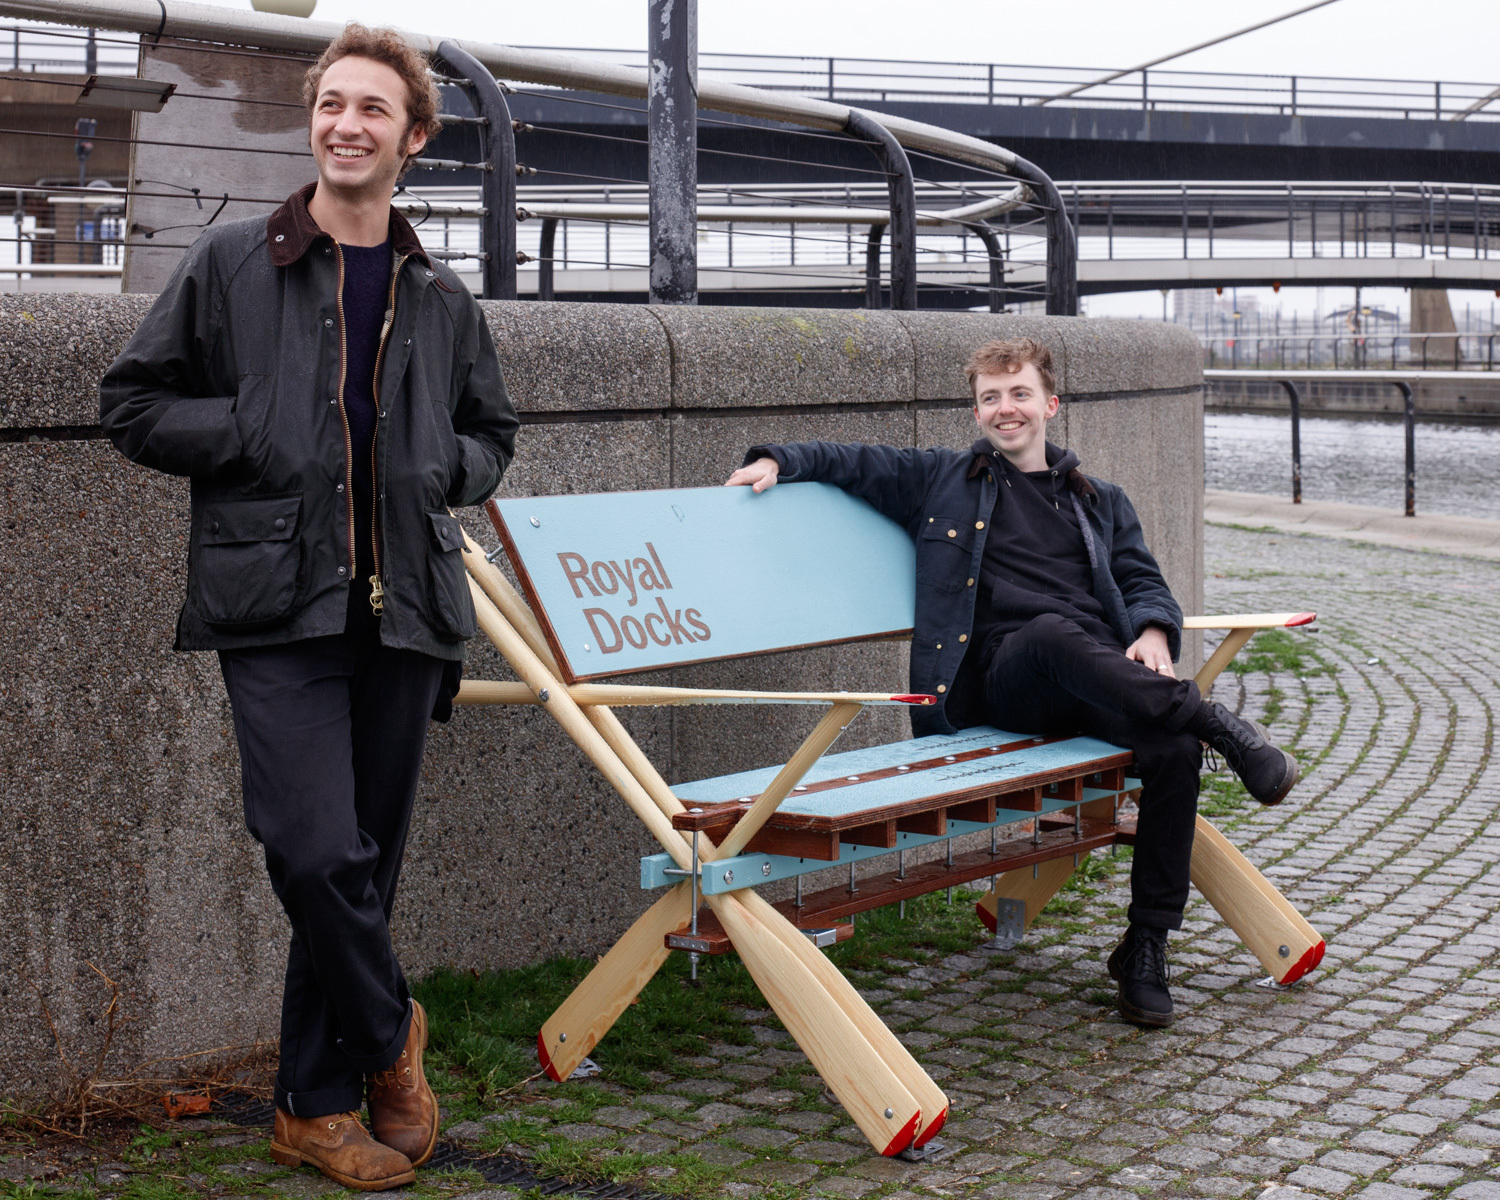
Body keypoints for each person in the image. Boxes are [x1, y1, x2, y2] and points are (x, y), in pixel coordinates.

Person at [99, 25, 518, 1192]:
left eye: (373, 110)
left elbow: (495, 434)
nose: (346, 124)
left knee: (362, 870)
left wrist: (443, 468)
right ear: (314, 120)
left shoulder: (440, 296)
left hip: (403, 611)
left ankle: (314, 1107)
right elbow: (130, 402)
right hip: (272, 598)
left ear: (413, 138)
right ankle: (391, 1036)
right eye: (332, 103)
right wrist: (250, 432)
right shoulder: (237, 263)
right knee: (311, 845)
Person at [725, 337, 1296, 1029]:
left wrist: (1151, 631)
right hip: (1002, 683)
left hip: (1090, 679)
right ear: (977, 411)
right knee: (1054, 635)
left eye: (1019, 393)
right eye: (991, 397)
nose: (1006, 409)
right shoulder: (945, 479)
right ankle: (1219, 725)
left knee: (1170, 753)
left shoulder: (1101, 501)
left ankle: (1145, 944)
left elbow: (1145, 580)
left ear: (1050, 404)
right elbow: (856, 461)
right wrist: (776, 459)